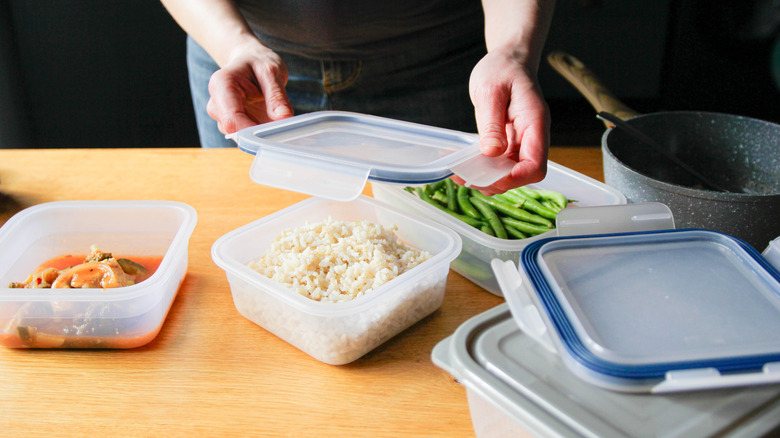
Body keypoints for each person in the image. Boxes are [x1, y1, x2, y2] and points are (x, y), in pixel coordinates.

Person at [160, 0, 555, 194]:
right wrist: (233, 47)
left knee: (440, 232)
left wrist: (511, 51)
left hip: (441, 66)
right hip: (244, 68)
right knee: (244, 221)